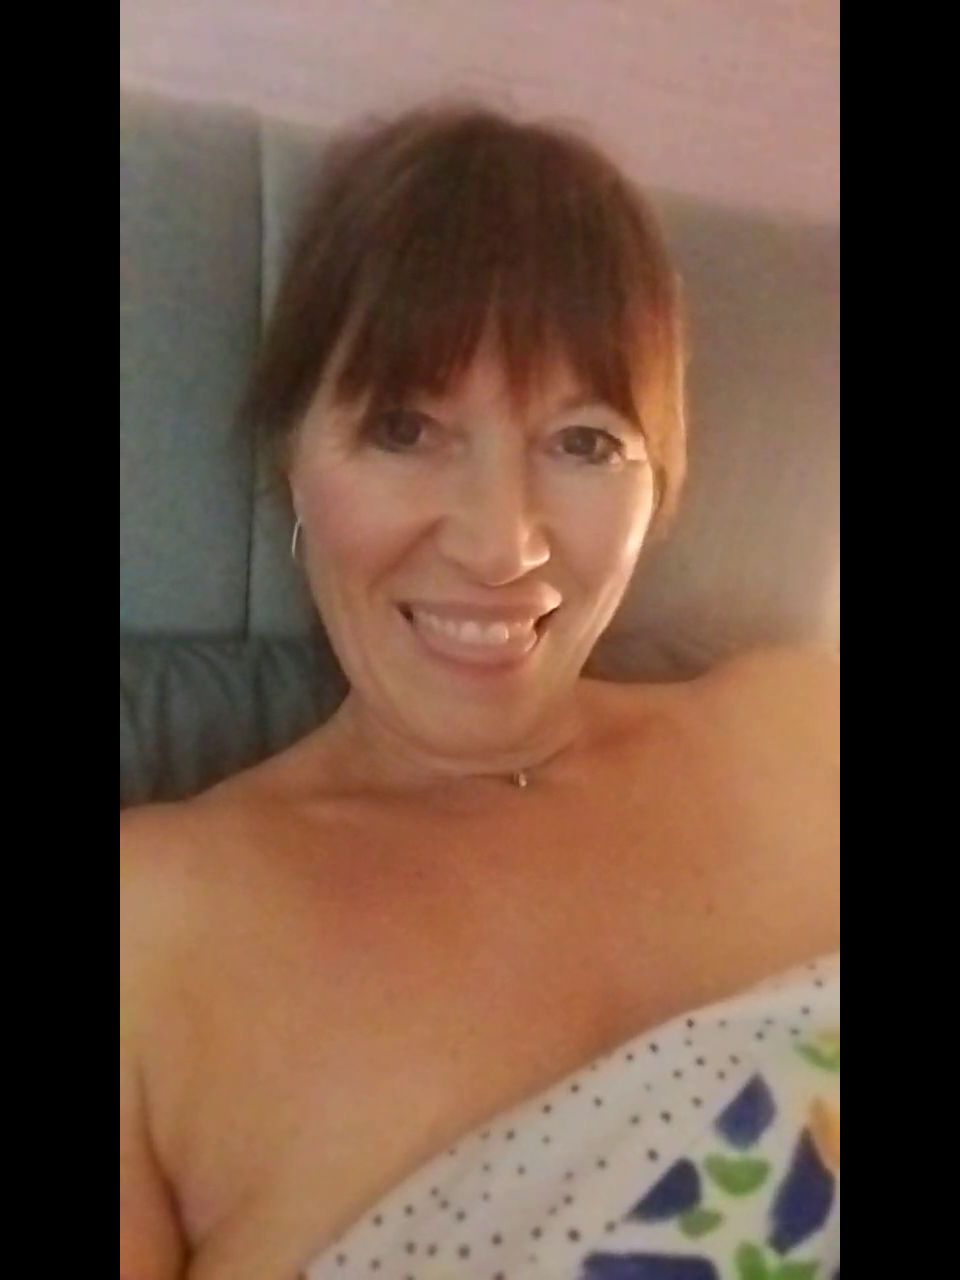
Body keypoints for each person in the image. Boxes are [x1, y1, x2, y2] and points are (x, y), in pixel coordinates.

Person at [120, 101, 839, 1280]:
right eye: (405, 427)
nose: (501, 544)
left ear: (665, 483)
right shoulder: (148, 938)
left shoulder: (809, 734)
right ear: (292, 456)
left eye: (586, 442)